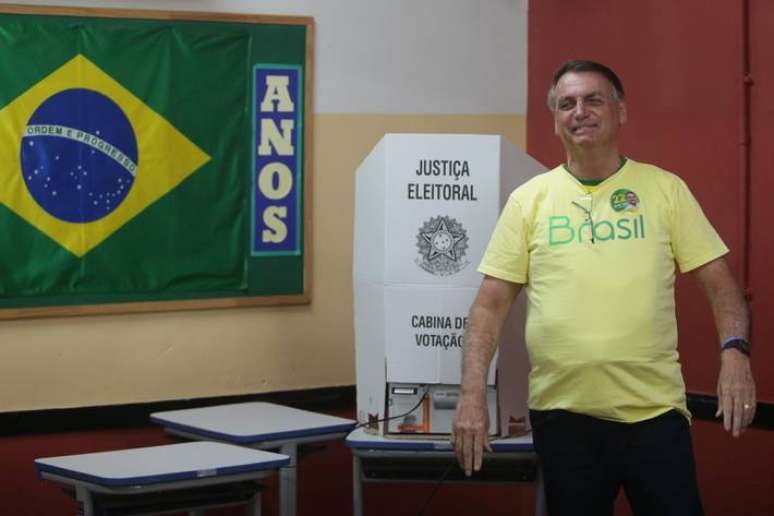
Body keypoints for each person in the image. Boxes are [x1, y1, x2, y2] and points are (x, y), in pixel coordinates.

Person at [450, 60, 756, 516]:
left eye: (594, 99)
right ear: (556, 119)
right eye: (567, 103)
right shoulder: (528, 201)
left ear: (620, 111)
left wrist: (735, 353)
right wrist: (472, 394)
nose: (580, 111)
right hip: (563, 420)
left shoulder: (665, 190)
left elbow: (721, 285)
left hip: (655, 418)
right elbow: (489, 307)